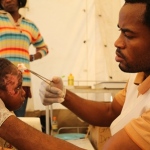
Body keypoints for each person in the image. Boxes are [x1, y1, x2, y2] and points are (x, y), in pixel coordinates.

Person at [0, 0, 149, 150]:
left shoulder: (29, 26)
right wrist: (64, 95)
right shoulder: (139, 77)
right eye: (120, 31)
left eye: (128, 35)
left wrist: (4, 122)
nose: (117, 42)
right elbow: (110, 112)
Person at [0, 0, 49, 117]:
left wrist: (31, 57)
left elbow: (44, 48)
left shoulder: (30, 25)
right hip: (1, 81)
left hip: (22, 81)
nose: (7, 0)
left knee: (19, 122)